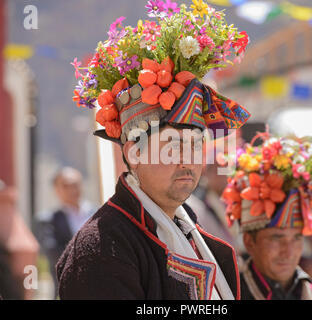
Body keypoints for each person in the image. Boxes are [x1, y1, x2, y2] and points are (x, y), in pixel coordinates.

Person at [56, 1, 251, 300]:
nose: (188, 160)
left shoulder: (193, 234)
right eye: (173, 145)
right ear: (133, 151)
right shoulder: (101, 248)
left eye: (196, 145)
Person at [222, 133, 312, 300]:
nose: (288, 251)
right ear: (249, 242)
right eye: (276, 238)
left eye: (296, 238)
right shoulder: (222, 295)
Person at [38, 167, 94, 298]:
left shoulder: (98, 213)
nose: (72, 190)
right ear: (56, 190)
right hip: (67, 289)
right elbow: (52, 252)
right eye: (66, 186)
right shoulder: (48, 220)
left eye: (75, 185)